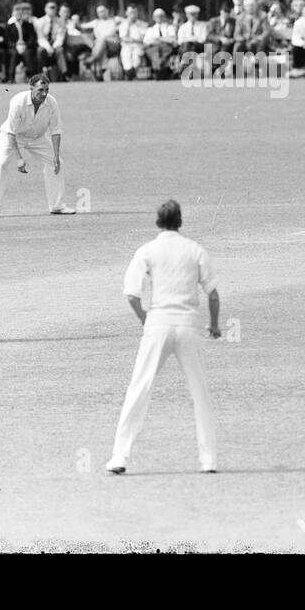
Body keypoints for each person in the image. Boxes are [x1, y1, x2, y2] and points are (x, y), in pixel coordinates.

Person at [105, 199, 220, 476]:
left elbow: (131, 294)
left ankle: (120, 456)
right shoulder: (195, 250)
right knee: (200, 392)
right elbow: (213, 293)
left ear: (158, 222)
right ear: (180, 221)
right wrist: (215, 326)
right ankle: (209, 460)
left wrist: (145, 319)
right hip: (188, 324)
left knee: (139, 388)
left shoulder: (148, 250)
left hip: (158, 324)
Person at [0, 73, 77, 217]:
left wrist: (56, 156)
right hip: (14, 137)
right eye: (40, 90)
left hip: (38, 138)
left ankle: (57, 206)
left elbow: (56, 131)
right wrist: (19, 159)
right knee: (2, 163)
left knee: (57, 164)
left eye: (47, 90)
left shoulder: (51, 103)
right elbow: (11, 132)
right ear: (31, 88)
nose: (44, 93)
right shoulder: (18, 101)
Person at [5, 2, 39, 83]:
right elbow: (7, 40)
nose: (18, 13)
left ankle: (31, 77)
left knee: (28, 54)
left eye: (20, 11)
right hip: (14, 47)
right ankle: (10, 77)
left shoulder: (29, 25)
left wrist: (25, 45)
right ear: (13, 13)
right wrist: (15, 45)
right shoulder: (9, 26)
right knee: (13, 54)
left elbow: (32, 38)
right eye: (16, 11)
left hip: (26, 47)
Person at [141, 7, 178, 78]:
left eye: (161, 16)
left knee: (164, 52)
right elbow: (146, 42)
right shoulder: (150, 29)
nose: (159, 18)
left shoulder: (169, 27)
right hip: (154, 48)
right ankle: (159, 69)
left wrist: (159, 39)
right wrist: (163, 39)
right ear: (154, 18)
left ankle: (159, 69)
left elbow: (172, 40)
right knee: (156, 53)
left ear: (164, 16)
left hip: (166, 47)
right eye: (157, 16)